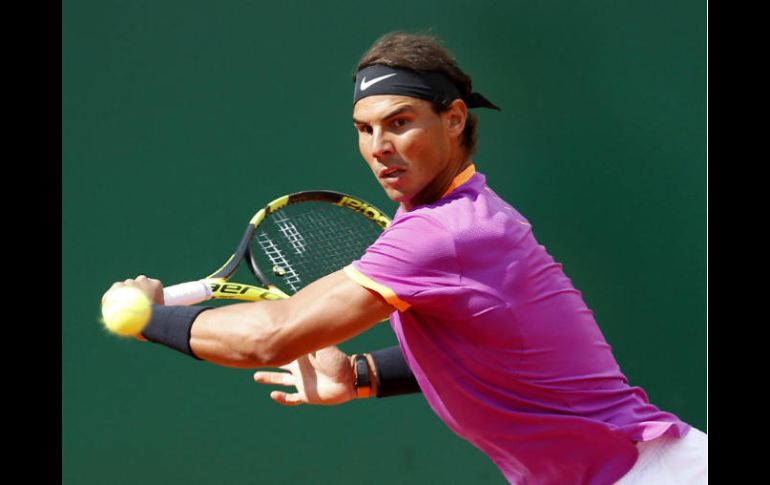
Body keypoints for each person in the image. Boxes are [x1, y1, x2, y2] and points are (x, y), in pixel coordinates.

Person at [103, 31, 707, 484]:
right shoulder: (435, 217)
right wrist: (360, 376)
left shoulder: (445, 233)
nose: (379, 148)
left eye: (399, 122)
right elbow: (482, 350)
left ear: (454, 119)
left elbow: (272, 338)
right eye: (364, 128)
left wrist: (148, 317)